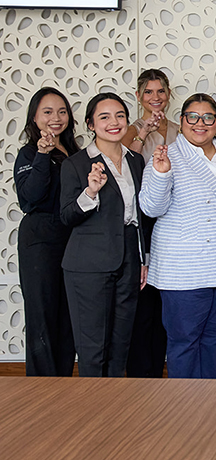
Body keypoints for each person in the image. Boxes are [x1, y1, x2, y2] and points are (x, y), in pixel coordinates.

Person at [139, 94, 216, 379]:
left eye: (208, 117)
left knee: (215, 337)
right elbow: (151, 207)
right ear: (182, 120)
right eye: (193, 116)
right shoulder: (167, 154)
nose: (200, 123)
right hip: (184, 267)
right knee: (185, 340)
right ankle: (183, 413)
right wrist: (161, 174)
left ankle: (207, 407)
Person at [60, 92, 150, 377]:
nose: (114, 122)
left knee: (120, 345)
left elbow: (139, 215)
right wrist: (91, 192)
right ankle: (91, 415)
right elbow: (66, 216)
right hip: (88, 265)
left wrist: (142, 258)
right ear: (90, 124)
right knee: (92, 348)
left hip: (129, 260)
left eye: (120, 116)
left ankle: (114, 413)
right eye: (104, 117)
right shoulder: (75, 164)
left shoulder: (135, 160)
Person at [14, 87, 79, 376]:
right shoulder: (29, 152)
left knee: (68, 318)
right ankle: (40, 389)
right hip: (40, 241)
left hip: (73, 240)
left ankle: (62, 387)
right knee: (42, 318)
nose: (56, 117)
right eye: (48, 112)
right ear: (35, 118)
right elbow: (30, 197)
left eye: (62, 111)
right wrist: (42, 155)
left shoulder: (75, 151)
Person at [120, 69, 175, 378]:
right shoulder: (128, 130)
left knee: (164, 299)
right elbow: (124, 166)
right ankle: (141, 371)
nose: (155, 98)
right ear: (139, 96)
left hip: (171, 218)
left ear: (169, 94)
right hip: (141, 218)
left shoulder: (181, 128)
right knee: (142, 298)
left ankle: (159, 363)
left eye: (161, 92)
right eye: (149, 93)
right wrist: (143, 132)